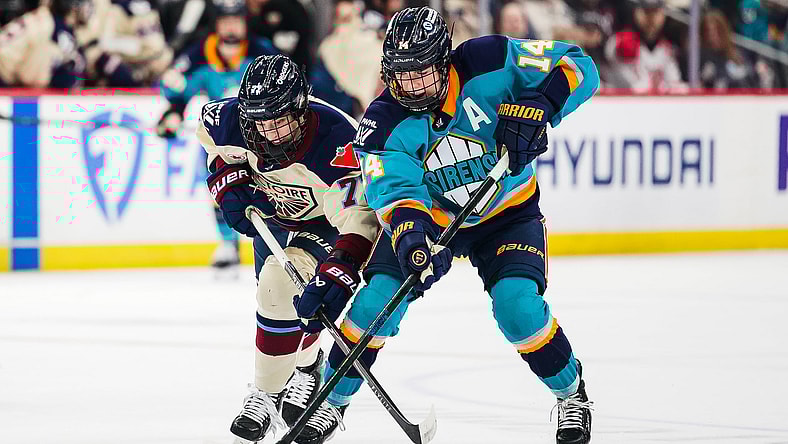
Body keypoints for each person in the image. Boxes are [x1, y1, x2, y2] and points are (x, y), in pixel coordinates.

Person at [294, 6, 599, 444]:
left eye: (422, 73)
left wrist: (543, 103)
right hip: (432, 222)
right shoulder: (381, 123)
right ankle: (331, 402)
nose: (412, 87)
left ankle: (571, 394)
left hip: (505, 213)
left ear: (444, 60)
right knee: (373, 305)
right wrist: (414, 242)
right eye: (402, 75)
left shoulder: (491, 59)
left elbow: (578, 65)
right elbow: (396, 193)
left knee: (518, 308)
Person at [196, 54, 379, 443]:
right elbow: (212, 143)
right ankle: (306, 365)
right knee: (277, 302)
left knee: (283, 288)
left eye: (279, 121)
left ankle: (264, 393)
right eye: (260, 122)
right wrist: (228, 182)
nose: (269, 133)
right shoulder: (231, 119)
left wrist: (342, 265)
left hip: (323, 224)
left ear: (301, 109)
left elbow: (358, 218)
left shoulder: (337, 143)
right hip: (274, 219)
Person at [159, 0, 278, 271]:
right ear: (216, 24)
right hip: (221, 137)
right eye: (225, 21)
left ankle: (274, 239)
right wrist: (172, 114)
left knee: (272, 187)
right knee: (220, 188)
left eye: (236, 20)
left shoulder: (263, 52)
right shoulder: (199, 54)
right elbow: (178, 91)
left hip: (263, 136)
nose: (231, 26)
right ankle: (227, 243)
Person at [0, 0, 89, 88]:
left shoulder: (42, 16)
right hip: (4, 78)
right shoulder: (54, 24)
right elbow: (78, 63)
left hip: (6, 71)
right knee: (51, 51)